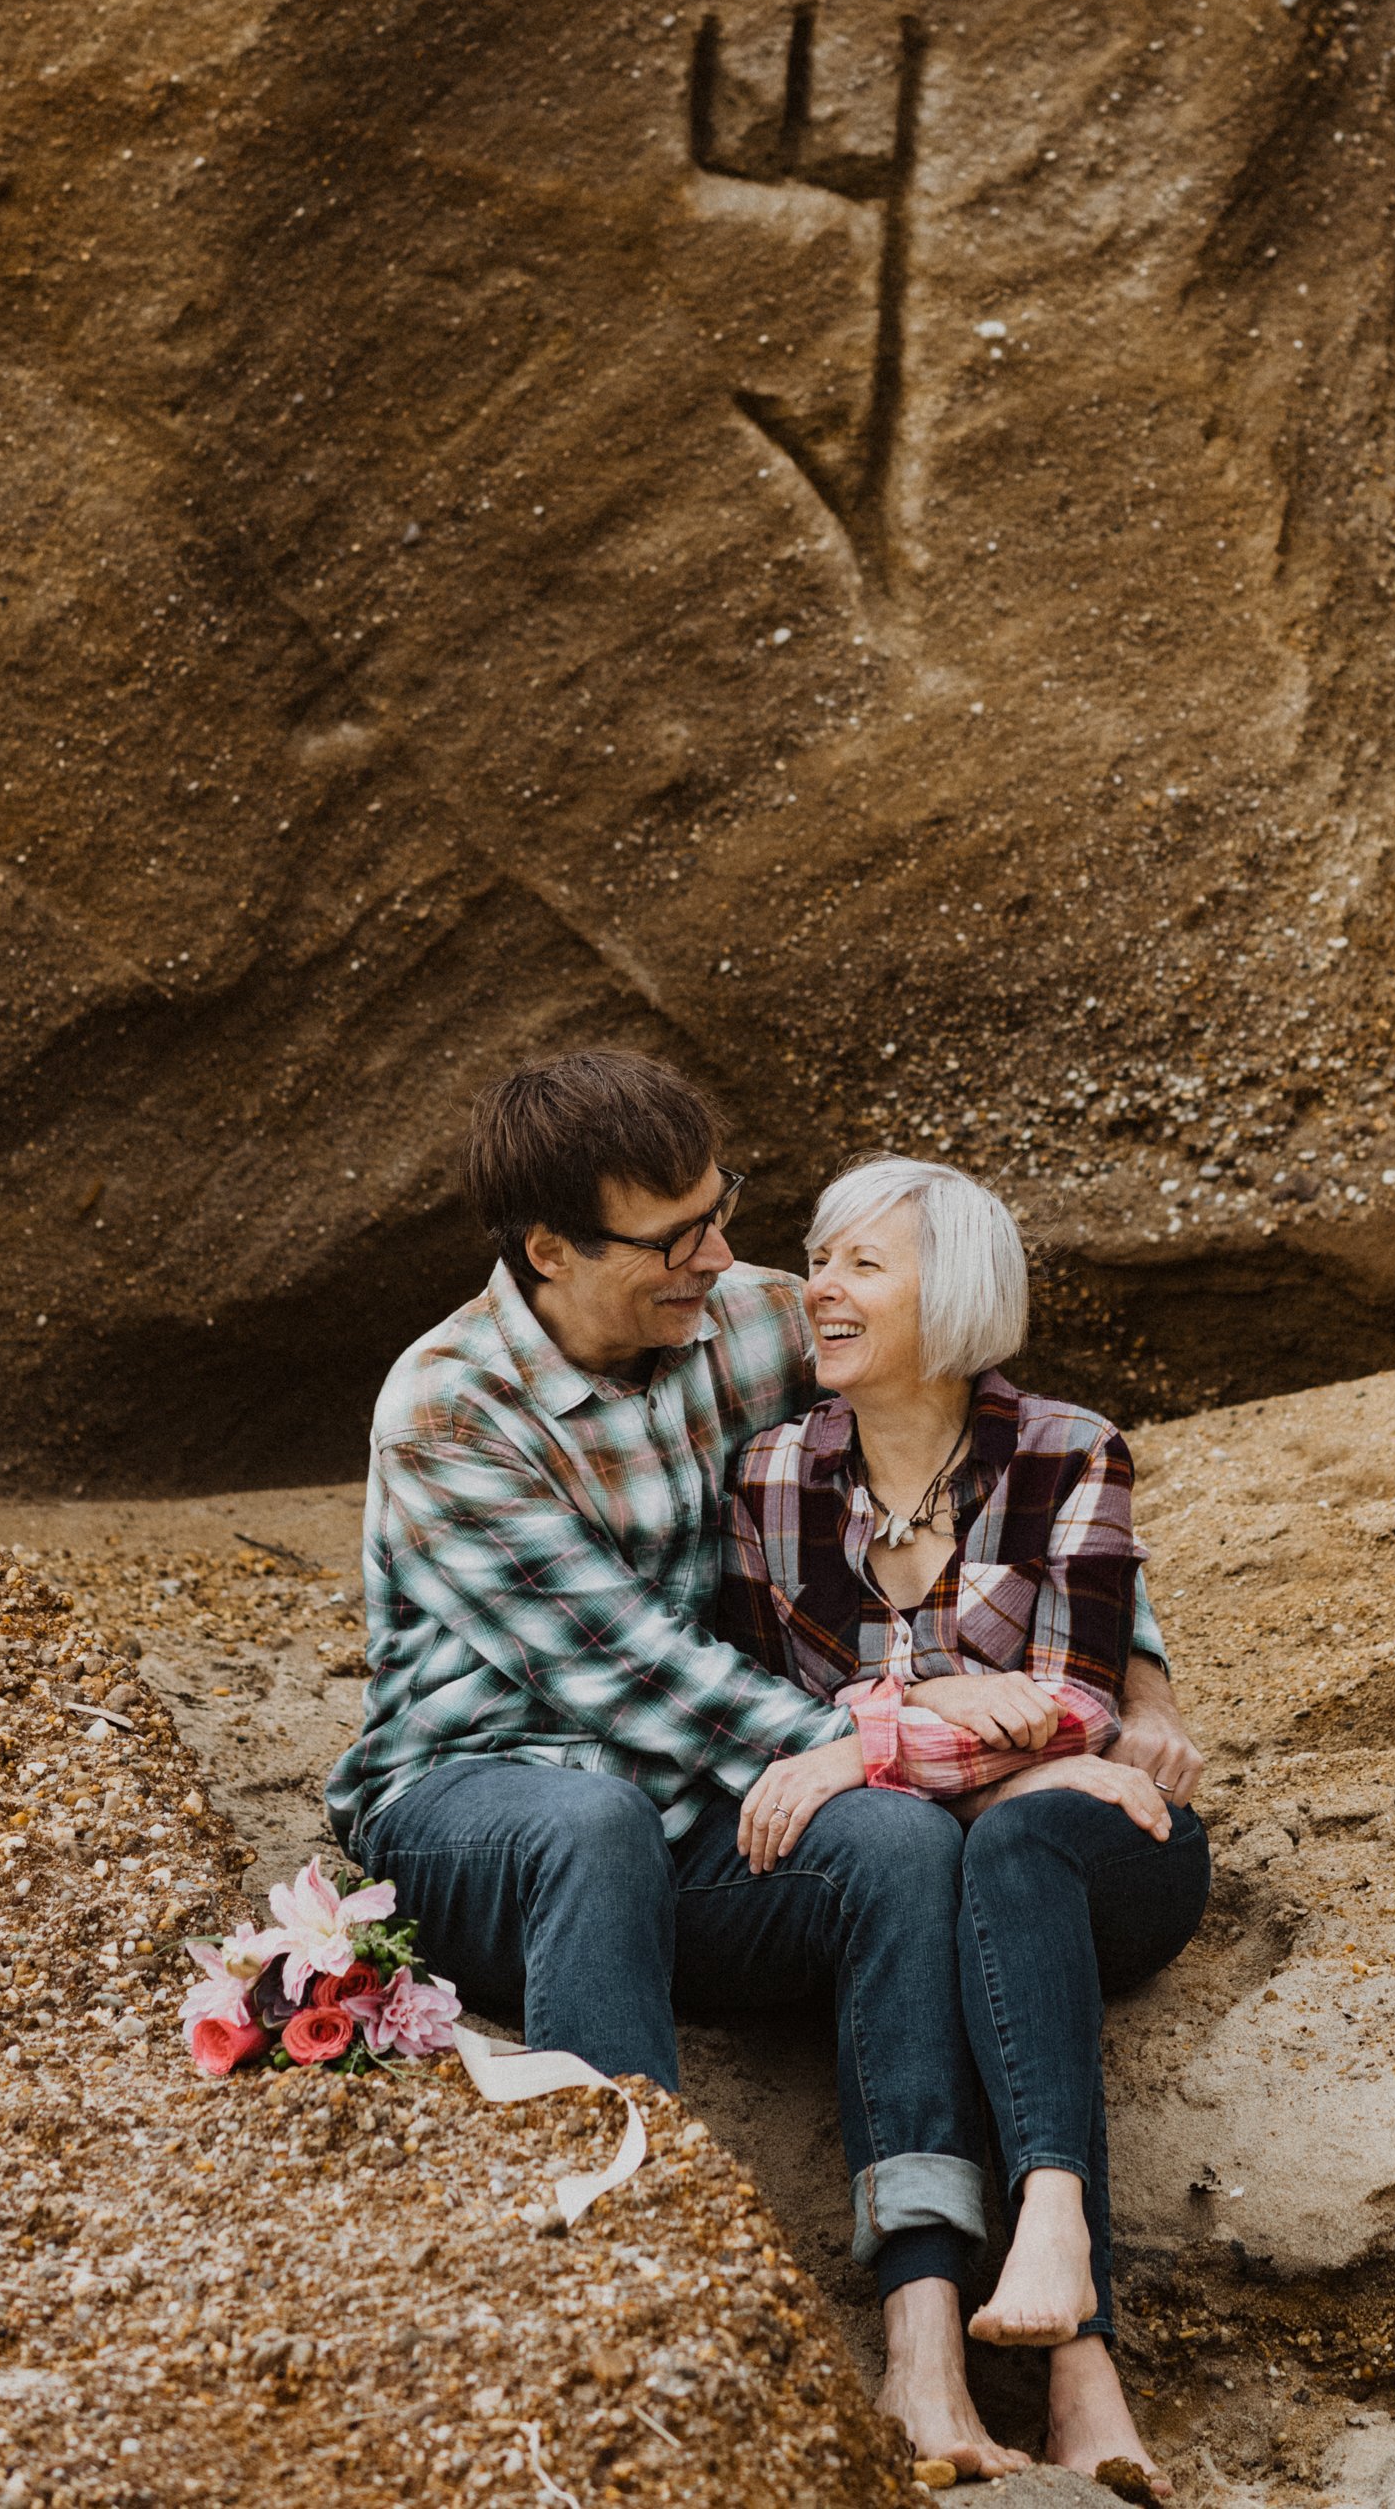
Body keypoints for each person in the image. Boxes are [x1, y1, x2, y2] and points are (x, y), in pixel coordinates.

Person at [325, 1049, 1202, 2482]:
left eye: (721, 1214)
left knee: (903, 1851)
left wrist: (1116, 1684)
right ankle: (646, 2262)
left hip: (724, 1796)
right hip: (480, 1794)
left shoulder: (739, 1322)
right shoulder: (448, 1410)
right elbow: (627, 1678)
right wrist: (952, 1745)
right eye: (677, 1238)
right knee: (594, 1819)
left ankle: (923, 2347)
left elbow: (993, 1443)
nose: (726, 1261)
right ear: (550, 1250)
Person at [721, 1155, 1210, 2499]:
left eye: (862, 1266)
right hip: (954, 1846)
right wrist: (975, 1735)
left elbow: (1072, 1702)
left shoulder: (1069, 1449)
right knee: (967, 1839)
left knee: (1021, 1837)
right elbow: (766, 1730)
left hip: (1098, 1848)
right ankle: (1080, 2373)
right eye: (820, 1259)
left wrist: (878, 1738)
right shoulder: (767, 1477)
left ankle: (1055, 2227)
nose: (819, 1287)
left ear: (959, 1298)